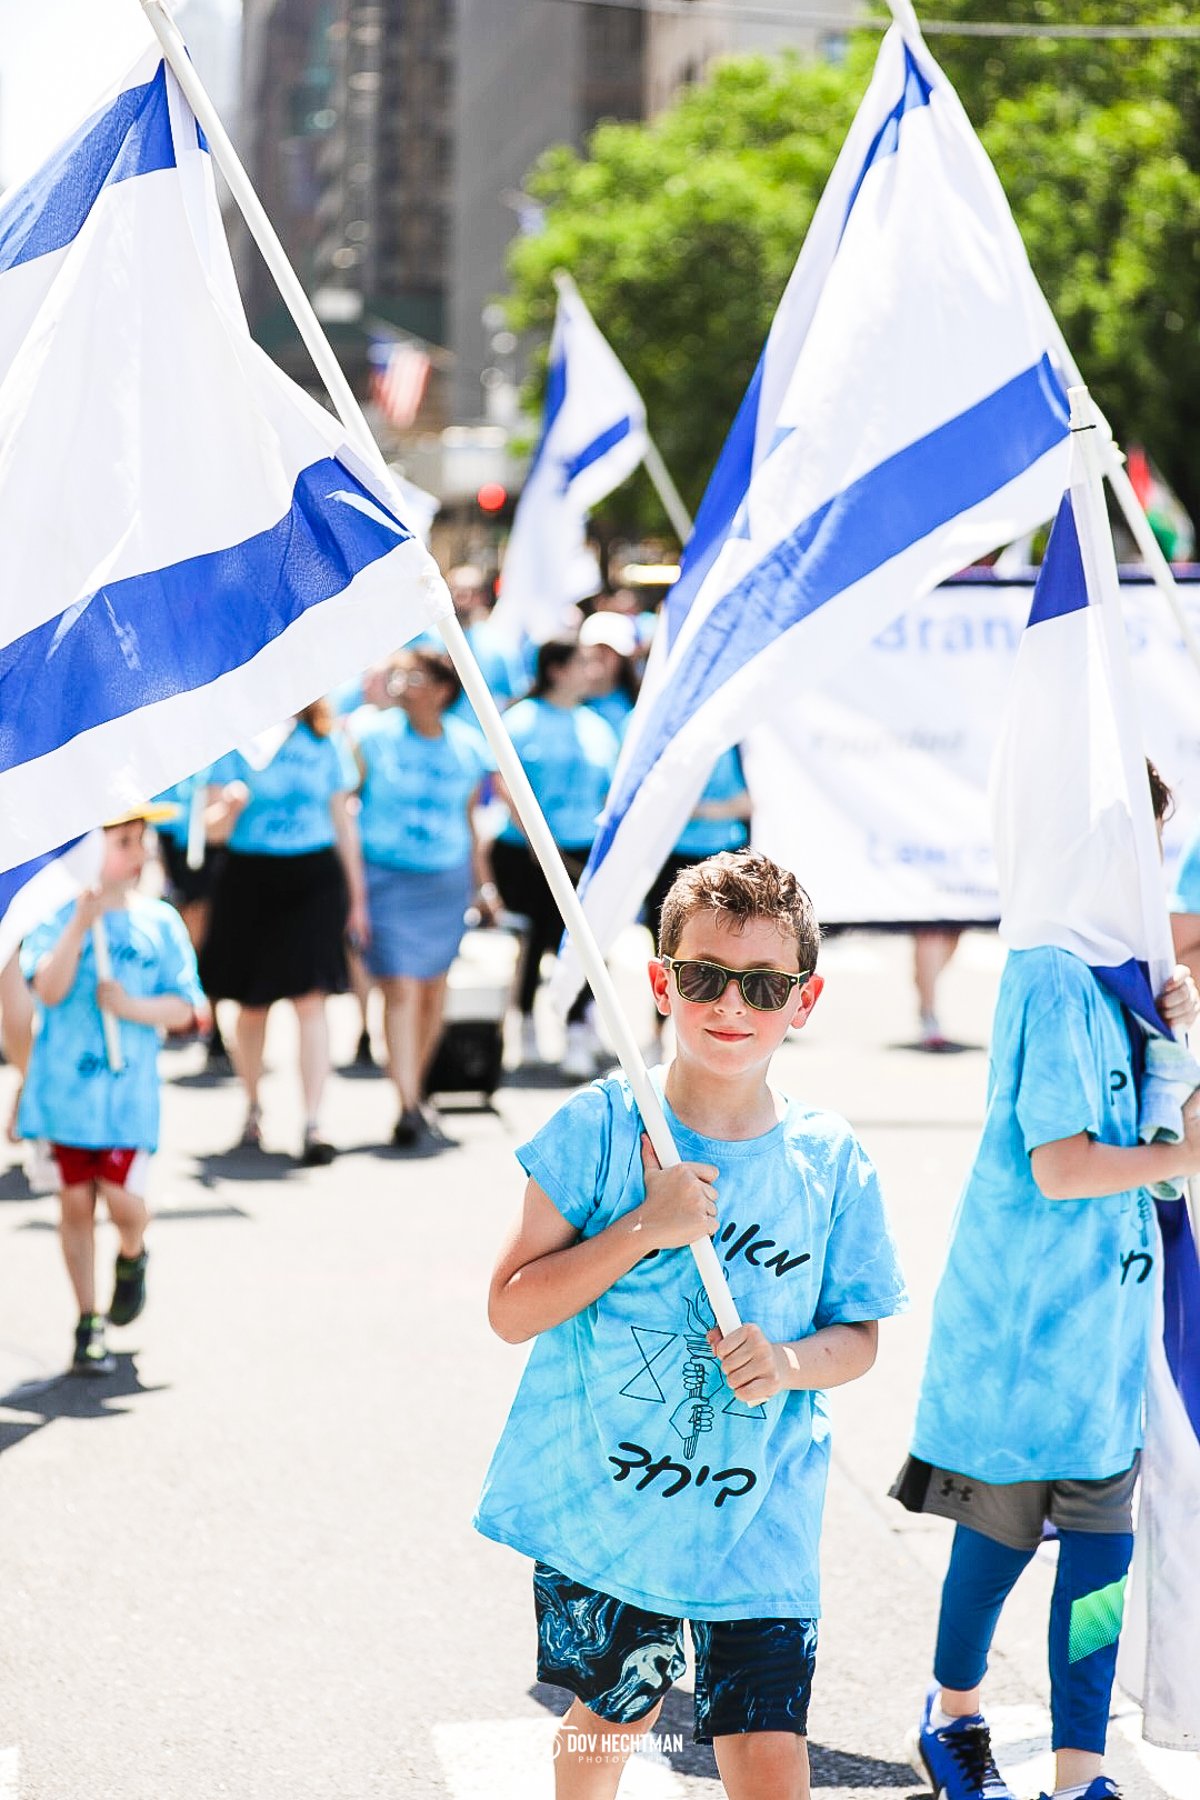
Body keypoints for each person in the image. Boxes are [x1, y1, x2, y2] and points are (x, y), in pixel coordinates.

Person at [476, 850, 908, 1799]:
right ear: (663, 983)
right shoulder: (599, 1128)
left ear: (806, 998)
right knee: (613, 1709)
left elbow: (860, 1338)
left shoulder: (829, 1159)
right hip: (615, 1503)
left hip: (759, 1512)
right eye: (707, 978)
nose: (732, 1006)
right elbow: (511, 1309)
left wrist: (791, 1361)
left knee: (766, 1746)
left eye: (763, 985)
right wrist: (645, 1225)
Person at [892, 765, 1200, 1800]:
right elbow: (1061, 1163)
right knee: (993, 1554)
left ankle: (1080, 1774)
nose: (1145, 862)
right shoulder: (1050, 970)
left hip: (1106, 1335)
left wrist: (1176, 1036)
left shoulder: (1122, 975)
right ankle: (952, 1714)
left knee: (1101, 1572)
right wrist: (1185, 1154)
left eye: (1152, 839)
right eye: (1128, 838)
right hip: (1022, 1332)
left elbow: (1149, 1132)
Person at [16, 806, 205, 1376]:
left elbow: (187, 1009)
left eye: (140, 839)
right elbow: (46, 990)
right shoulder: (57, 917)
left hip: (126, 1103)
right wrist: (78, 924)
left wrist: (130, 1007)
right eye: (123, 840)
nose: (138, 850)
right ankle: (87, 1318)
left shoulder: (160, 922)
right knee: (75, 1202)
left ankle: (132, 1252)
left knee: (123, 1201)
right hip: (66, 1097)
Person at [200, 702, 367, 1165]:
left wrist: (358, 900)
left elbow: (343, 824)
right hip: (250, 876)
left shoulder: (325, 739)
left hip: (312, 879)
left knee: (311, 999)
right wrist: (228, 808)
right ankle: (252, 1107)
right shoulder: (234, 739)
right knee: (252, 1006)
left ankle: (315, 1122)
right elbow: (210, 833)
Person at [351, 648, 496, 1147]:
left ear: (441, 690)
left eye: (414, 676)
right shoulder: (370, 738)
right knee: (401, 988)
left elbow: (470, 821)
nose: (402, 683)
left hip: (445, 881)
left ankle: (417, 1086)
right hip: (387, 879)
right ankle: (407, 1103)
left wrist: (483, 884)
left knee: (434, 989)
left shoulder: (468, 747)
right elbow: (348, 809)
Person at [491, 637, 619, 1079]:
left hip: (582, 851)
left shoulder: (596, 726)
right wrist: (536, 840)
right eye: (583, 662)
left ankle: (578, 1032)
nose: (592, 670)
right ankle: (525, 1024)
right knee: (535, 940)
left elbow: (608, 791)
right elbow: (504, 784)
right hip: (527, 853)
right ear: (557, 670)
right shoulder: (521, 720)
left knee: (582, 942)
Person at [579, 609, 640, 741]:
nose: (599, 655)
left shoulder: (640, 705)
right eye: (596, 647)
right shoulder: (562, 703)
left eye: (608, 650)